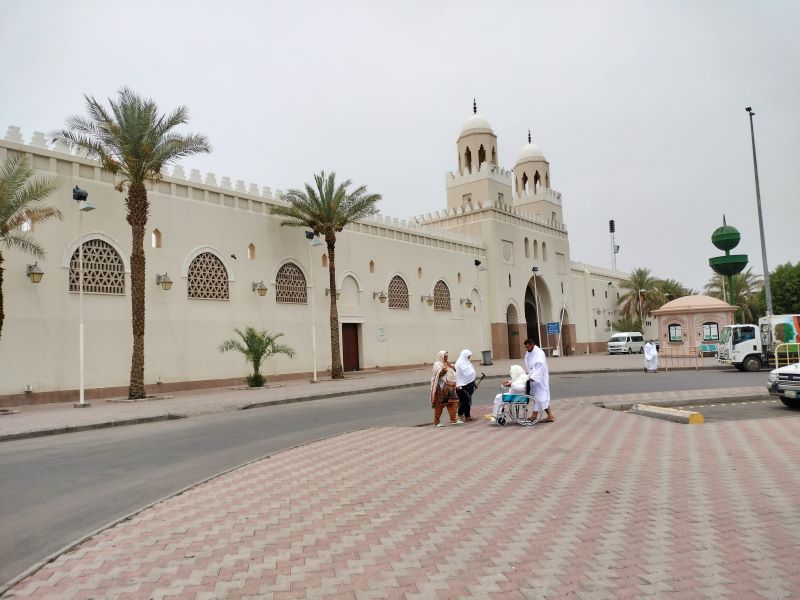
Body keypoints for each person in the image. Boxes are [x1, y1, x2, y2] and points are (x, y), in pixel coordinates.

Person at [523, 339, 555, 422]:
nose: (527, 349)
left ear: (532, 345)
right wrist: (529, 376)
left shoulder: (539, 353)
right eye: (526, 347)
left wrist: (533, 377)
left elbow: (541, 367)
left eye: (528, 347)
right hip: (533, 378)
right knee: (542, 398)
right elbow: (530, 365)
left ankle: (534, 415)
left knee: (539, 397)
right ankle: (550, 416)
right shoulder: (529, 353)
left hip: (540, 379)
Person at [430, 350, 461, 427]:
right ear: (441, 356)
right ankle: (437, 422)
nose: (446, 357)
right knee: (439, 405)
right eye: (445, 356)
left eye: (447, 356)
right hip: (441, 388)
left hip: (451, 387)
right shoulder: (437, 364)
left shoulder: (447, 363)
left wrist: (453, 367)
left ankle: (453, 419)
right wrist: (443, 371)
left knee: (454, 402)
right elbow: (438, 374)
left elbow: (453, 371)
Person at [455, 349, 478, 422]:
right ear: (464, 355)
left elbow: (471, 374)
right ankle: (460, 413)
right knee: (464, 400)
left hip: (470, 384)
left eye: (469, 356)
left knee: (468, 401)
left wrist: (474, 383)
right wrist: (457, 385)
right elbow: (456, 375)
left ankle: (468, 416)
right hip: (462, 385)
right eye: (468, 356)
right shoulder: (458, 364)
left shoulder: (468, 363)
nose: (469, 358)